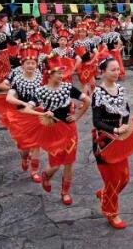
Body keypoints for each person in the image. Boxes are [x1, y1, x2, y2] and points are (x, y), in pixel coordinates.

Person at [38, 54, 90, 205]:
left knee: (69, 162)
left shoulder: (68, 88)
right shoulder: (41, 91)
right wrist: (38, 112)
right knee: (55, 164)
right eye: (58, 73)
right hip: (52, 129)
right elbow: (30, 106)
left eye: (62, 73)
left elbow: (87, 100)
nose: (61, 75)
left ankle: (65, 192)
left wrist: (78, 116)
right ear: (49, 74)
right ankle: (46, 176)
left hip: (69, 129)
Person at [92, 57, 132, 229]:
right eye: (112, 70)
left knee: (125, 178)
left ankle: (105, 194)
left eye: (118, 69)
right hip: (104, 142)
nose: (117, 73)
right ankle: (111, 213)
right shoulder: (98, 93)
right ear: (103, 72)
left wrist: (124, 125)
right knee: (113, 180)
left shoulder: (120, 89)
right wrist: (114, 130)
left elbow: (127, 111)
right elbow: (97, 121)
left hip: (120, 140)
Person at [0, 44, 44, 182]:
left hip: (36, 115)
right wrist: (25, 104)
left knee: (37, 144)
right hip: (22, 116)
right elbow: (9, 96)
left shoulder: (41, 77)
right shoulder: (17, 79)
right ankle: (25, 157)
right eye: (28, 63)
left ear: (36, 65)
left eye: (33, 63)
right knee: (24, 147)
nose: (31, 65)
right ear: (22, 65)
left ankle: (35, 171)